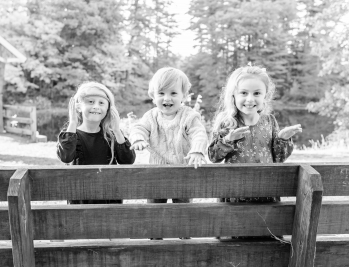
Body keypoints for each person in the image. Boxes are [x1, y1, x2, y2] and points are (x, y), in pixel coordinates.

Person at [208, 65, 302, 239]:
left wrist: (282, 138)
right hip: (235, 193)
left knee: (266, 239)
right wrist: (228, 140)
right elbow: (213, 156)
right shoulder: (227, 123)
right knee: (234, 239)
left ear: (265, 95)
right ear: (233, 95)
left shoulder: (269, 121)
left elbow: (278, 158)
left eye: (257, 93)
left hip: (266, 192)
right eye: (244, 93)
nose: (250, 99)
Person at [129, 67, 209, 239]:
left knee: (183, 211)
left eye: (173, 93)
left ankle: (184, 238)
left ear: (184, 96)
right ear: (153, 96)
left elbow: (199, 133)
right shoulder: (151, 117)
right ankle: (155, 239)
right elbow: (138, 128)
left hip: (183, 172)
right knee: (155, 210)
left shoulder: (188, 115)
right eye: (161, 93)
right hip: (157, 174)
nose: (167, 98)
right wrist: (138, 139)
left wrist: (197, 150)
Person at [57, 81, 136, 204]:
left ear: (108, 109)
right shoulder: (71, 135)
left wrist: (116, 129)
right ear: (78, 107)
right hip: (81, 199)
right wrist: (72, 122)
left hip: (109, 199)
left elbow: (128, 160)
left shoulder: (112, 136)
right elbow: (66, 157)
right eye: (90, 102)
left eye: (101, 103)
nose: (96, 106)